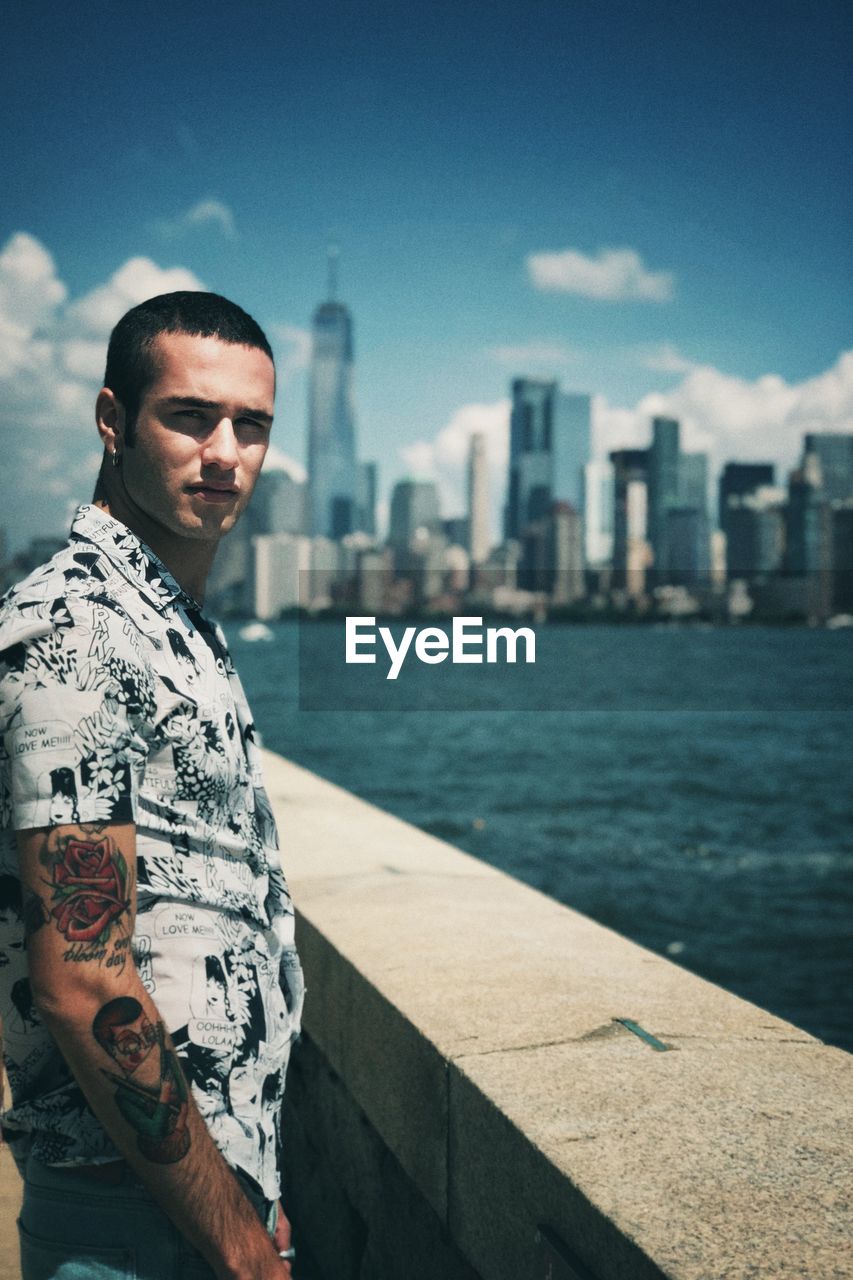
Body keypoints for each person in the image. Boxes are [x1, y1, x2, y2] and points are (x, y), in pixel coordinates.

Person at [0, 292, 305, 1279]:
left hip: (185, 1195)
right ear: (111, 420)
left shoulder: (168, 625)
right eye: (189, 415)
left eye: (249, 425)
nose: (225, 451)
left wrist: (247, 1179)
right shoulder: (77, 635)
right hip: (128, 1219)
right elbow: (86, 976)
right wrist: (234, 1237)